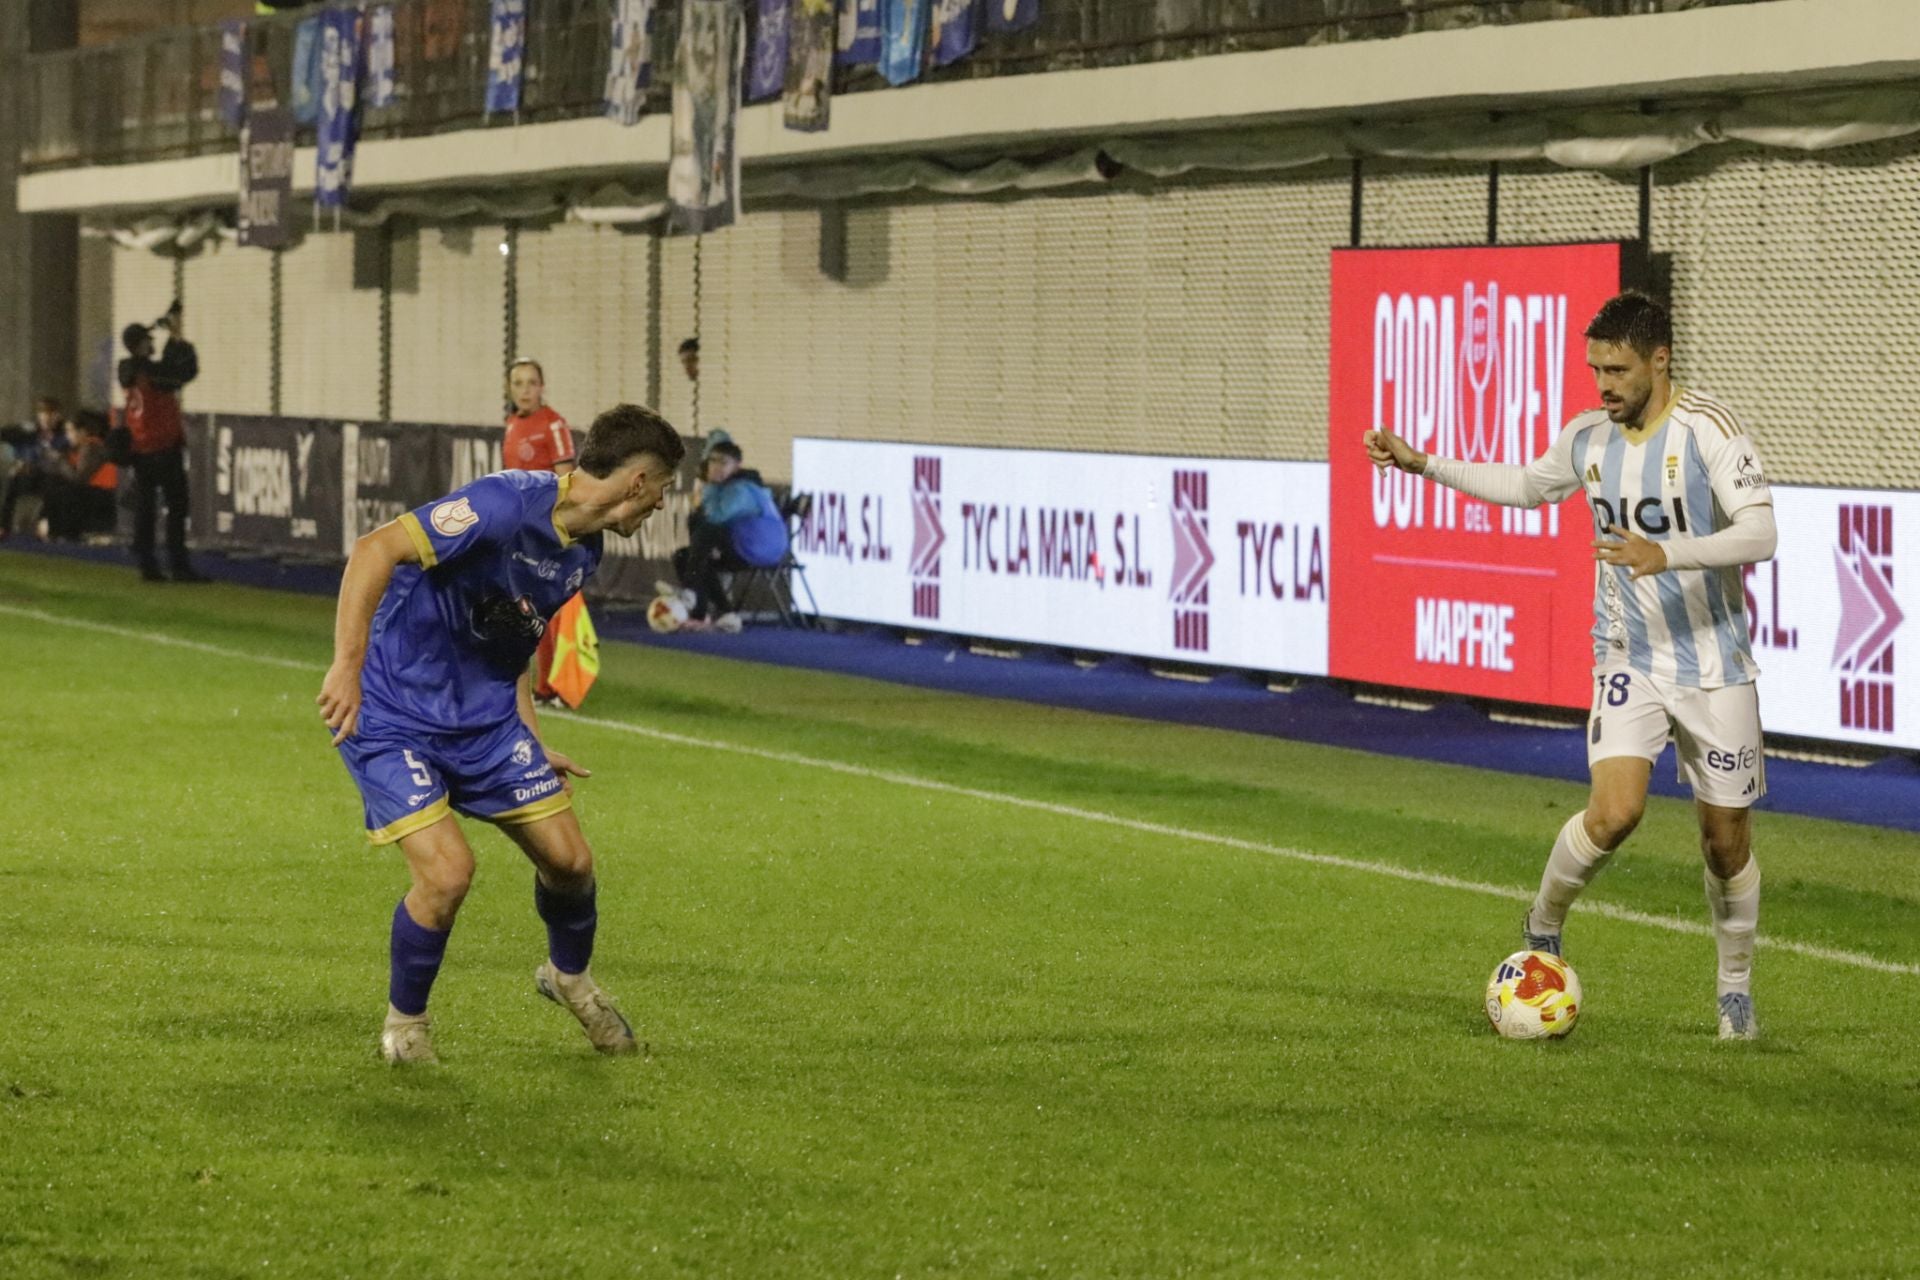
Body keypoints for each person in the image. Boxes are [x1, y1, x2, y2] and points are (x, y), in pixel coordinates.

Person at [1365, 290, 1777, 1041]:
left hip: (1716, 666)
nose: (1604, 385)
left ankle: (1734, 988)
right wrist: (1423, 464)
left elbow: (1760, 534)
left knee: (1726, 843)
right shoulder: (1588, 438)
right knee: (1616, 812)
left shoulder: (1711, 431)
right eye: (1596, 371)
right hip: (1627, 654)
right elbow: (1525, 487)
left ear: (1660, 360)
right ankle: (1544, 920)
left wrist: (1667, 553)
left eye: (1618, 370)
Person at [316, 404, 686, 1065]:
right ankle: (405, 1027)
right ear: (637, 482)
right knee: (448, 874)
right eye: (661, 490)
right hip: (394, 715)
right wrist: (347, 665)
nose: (659, 505)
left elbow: (512, 645)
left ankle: (568, 978)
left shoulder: (584, 552)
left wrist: (530, 738)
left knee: (571, 863)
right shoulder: (502, 503)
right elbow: (375, 548)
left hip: (485, 726)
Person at [502, 358, 576, 702]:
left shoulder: (553, 425)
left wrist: (556, 529)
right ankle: (528, 683)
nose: (525, 390)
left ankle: (550, 686)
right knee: (520, 606)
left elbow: (566, 482)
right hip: (518, 529)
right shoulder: (512, 424)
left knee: (542, 607)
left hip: (544, 531)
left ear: (542, 387)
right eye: (518, 383)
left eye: (531, 383)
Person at [119, 304, 208, 583]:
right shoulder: (148, 372)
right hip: (160, 448)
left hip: (143, 450)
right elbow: (183, 372)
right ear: (139, 345)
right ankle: (177, 565)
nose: (152, 344)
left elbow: (169, 371)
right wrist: (176, 337)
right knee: (175, 507)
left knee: (147, 509)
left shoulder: (130, 369)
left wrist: (172, 339)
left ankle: (149, 564)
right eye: (148, 341)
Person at [44, 409, 121, 543]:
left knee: (63, 488)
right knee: (53, 482)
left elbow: (79, 479)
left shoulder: (91, 446)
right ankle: (54, 531)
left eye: (70, 431)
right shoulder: (81, 448)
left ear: (83, 432)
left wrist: (60, 460)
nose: (67, 436)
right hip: (93, 494)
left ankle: (63, 533)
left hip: (102, 496)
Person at [0, 396, 72, 539]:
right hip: (28, 475)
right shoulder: (29, 431)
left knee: (55, 486)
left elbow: (64, 457)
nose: (47, 419)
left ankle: (44, 525)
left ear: (58, 416)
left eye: (51, 415)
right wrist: (19, 463)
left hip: (51, 476)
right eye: (43, 414)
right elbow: (6, 435)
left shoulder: (64, 434)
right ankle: (3, 526)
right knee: (11, 481)